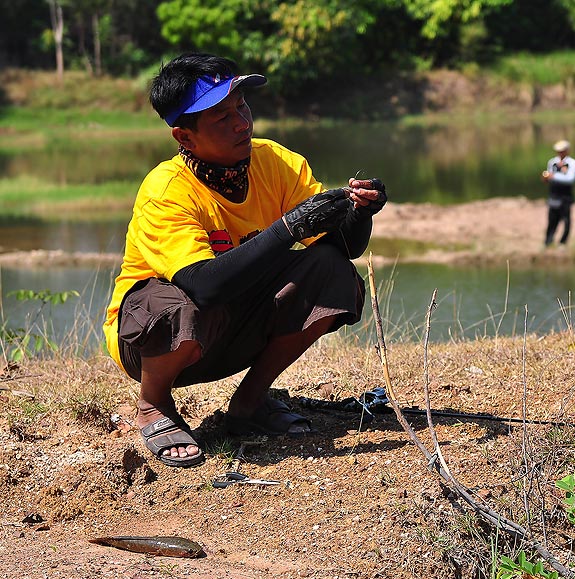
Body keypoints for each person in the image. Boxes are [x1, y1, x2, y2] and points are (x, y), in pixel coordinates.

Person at [102, 52, 387, 468]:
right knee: (175, 301)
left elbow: (341, 248)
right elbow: (204, 286)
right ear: (185, 138)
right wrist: (288, 229)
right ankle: (154, 405)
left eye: (242, 107)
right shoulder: (166, 190)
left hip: (232, 329)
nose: (242, 123)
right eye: (221, 118)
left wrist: (360, 213)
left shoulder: (275, 161)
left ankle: (249, 404)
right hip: (157, 342)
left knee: (331, 271)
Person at [541, 139, 575, 246]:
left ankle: (563, 243)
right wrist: (546, 178)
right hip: (553, 195)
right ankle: (548, 242)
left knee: (566, 221)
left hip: (565, 196)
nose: (560, 153)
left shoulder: (572, 163)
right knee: (552, 220)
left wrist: (553, 176)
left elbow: (570, 179)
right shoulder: (552, 162)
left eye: (562, 150)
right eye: (558, 151)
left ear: (567, 150)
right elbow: (548, 175)